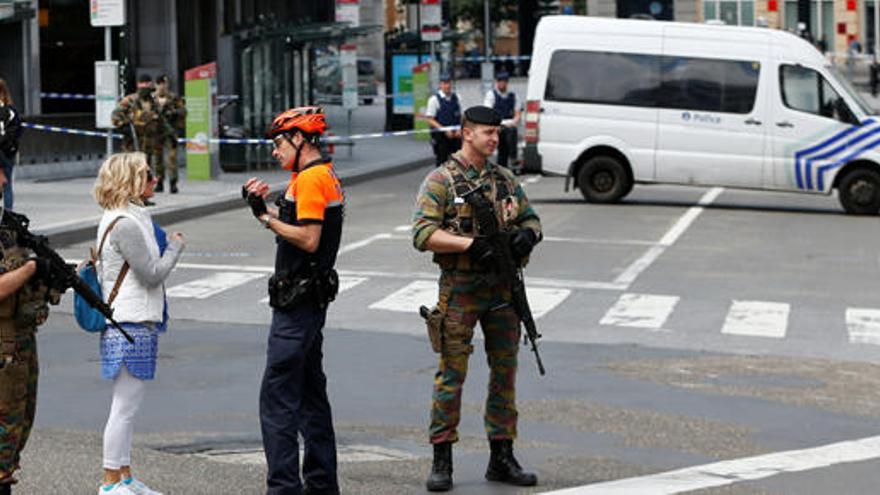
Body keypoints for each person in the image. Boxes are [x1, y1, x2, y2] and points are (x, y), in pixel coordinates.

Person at [412, 106, 542, 492]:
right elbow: (422, 234)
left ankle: (501, 456)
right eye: (487, 132)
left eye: (497, 133)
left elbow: (531, 218)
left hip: (503, 289)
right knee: (452, 375)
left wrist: (527, 235)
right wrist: (470, 245)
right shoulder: (442, 180)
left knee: (505, 374)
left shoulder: (504, 179)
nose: (494, 139)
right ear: (467, 133)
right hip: (462, 288)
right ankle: (442, 457)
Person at [242, 106, 344, 495]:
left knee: (277, 400)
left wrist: (268, 220)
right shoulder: (320, 176)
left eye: (279, 143)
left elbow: (308, 238)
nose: (274, 151)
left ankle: (284, 488)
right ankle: (321, 485)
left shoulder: (311, 180)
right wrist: (262, 210)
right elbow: (302, 227)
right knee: (310, 397)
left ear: (300, 140)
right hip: (310, 300)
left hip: (296, 305)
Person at [93, 152, 185, 495]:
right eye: (147, 175)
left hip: (132, 320)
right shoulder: (126, 224)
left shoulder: (131, 217)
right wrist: (174, 249)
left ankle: (125, 477)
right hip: (129, 321)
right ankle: (109, 482)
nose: (155, 180)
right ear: (130, 181)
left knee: (128, 405)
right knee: (125, 406)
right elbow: (151, 274)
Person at [0, 165, 63, 495]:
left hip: (20, 341)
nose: (4, 180)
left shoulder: (7, 226)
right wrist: (31, 268)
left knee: (20, 423)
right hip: (3, 345)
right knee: (4, 431)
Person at [111, 75, 162, 176]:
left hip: (148, 143)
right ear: (139, 85)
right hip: (132, 144)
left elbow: (158, 118)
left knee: (145, 172)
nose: (147, 88)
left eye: (149, 85)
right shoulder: (130, 100)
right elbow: (115, 116)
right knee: (130, 171)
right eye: (145, 85)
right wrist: (124, 127)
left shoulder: (154, 102)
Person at [153, 75, 186, 194]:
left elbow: (183, 111)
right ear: (156, 85)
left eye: (165, 84)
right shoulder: (152, 99)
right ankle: (159, 181)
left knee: (171, 158)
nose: (162, 86)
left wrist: (173, 113)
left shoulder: (174, 98)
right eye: (160, 84)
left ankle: (173, 183)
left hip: (171, 132)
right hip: (156, 132)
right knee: (157, 159)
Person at [483, 72, 521, 170]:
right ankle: (511, 159)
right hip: (497, 126)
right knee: (506, 139)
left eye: (504, 82)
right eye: (500, 81)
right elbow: (488, 112)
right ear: (497, 83)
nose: (502, 84)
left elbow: (517, 114)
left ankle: (511, 159)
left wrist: (514, 122)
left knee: (511, 132)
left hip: (509, 124)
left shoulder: (513, 96)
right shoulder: (491, 95)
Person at [425, 74, 462, 166]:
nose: (447, 86)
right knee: (442, 161)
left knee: (457, 162)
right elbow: (430, 119)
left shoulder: (457, 97)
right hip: (441, 136)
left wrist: (459, 128)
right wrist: (444, 130)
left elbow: (461, 115)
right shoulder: (434, 100)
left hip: (456, 135)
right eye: (444, 83)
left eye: (449, 83)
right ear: (440, 85)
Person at [0, 79, 22, 209]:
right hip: (7, 153)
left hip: (3, 152)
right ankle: (8, 216)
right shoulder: (11, 111)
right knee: (7, 186)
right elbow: (16, 132)